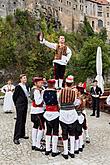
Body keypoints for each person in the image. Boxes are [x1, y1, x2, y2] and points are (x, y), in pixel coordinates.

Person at [59, 75, 78, 159]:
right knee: (72, 132)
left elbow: (58, 102)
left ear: (65, 83)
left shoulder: (60, 91)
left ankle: (66, 152)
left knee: (64, 132)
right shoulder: (74, 92)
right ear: (72, 83)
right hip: (72, 113)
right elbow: (76, 103)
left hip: (63, 113)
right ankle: (72, 151)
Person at [43, 79, 60, 157]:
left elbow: (43, 102)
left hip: (47, 113)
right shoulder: (57, 93)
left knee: (48, 130)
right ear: (54, 84)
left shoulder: (44, 92)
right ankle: (54, 150)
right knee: (55, 131)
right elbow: (59, 103)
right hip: (55, 113)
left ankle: (47, 149)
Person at [13, 74, 29, 145]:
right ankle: (16, 137)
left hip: (25, 105)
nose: (25, 79)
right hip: (19, 105)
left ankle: (22, 134)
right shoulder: (18, 87)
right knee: (19, 121)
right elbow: (14, 97)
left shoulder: (26, 86)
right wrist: (16, 105)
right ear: (20, 79)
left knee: (23, 119)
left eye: (26, 78)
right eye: (24, 78)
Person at [30, 77, 45, 151]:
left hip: (34, 112)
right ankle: (38, 145)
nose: (41, 83)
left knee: (35, 126)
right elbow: (38, 102)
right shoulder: (37, 91)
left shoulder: (35, 89)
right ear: (35, 83)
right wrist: (42, 95)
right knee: (41, 128)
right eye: (40, 82)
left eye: (42, 82)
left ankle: (34, 143)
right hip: (38, 112)